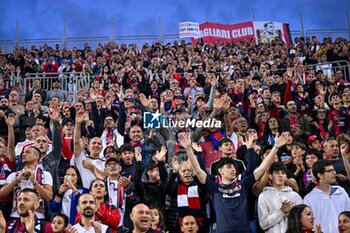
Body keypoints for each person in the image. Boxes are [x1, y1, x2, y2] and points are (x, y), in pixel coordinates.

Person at [179, 132, 289, 233]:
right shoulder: (214, 188)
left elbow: (263, 167)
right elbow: (198, 170)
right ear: (220, 171)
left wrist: (276, 147)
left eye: (235, 168)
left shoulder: (243, 185)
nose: (234, 170)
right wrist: (188, 149)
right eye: (229, 167)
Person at [304, 159, 350, 233]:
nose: (334, 173)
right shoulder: (309, 199)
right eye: (330, 171)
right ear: (320, 175)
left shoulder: (342, 193)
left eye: (334, 170)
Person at [257, 162, 303, 233]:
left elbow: (303, 220)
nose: (280, 175)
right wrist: (281, 211)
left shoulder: (295, 196)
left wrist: (291, 215)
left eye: (283, 173)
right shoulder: (263, 196)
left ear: (286, 176)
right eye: (276, 172)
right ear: (270, 176)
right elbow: (263, 224)